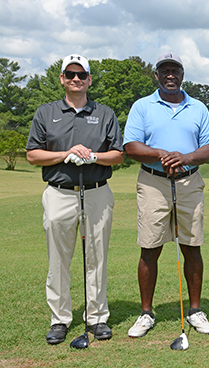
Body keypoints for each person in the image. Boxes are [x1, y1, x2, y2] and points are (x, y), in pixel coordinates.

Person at [26, 54, 124, 345]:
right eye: (70, 74)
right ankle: (60, 319)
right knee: (59, 259)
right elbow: (33, 154)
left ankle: (96, 318)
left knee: (97, 256)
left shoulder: (104, 113)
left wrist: (93, 156)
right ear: (62, 79)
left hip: (97, 191)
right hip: (59, 193)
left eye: (82, 75)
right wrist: (65, 154)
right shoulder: (46, 113)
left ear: (90, 79)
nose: (76, 79)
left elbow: (118, 154)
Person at [123, 52, 209, 338]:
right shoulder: (142, 106)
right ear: (156, 76)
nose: (170, 75)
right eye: (165, 70)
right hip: (153, 183)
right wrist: (161, 153)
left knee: (191, 246)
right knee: (150, 248)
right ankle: (146, 313)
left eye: (175, 70)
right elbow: (131, 146)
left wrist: (185, 157)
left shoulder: (198, 107)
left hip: (189, 182)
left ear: (182, 75)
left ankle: (195, 311)